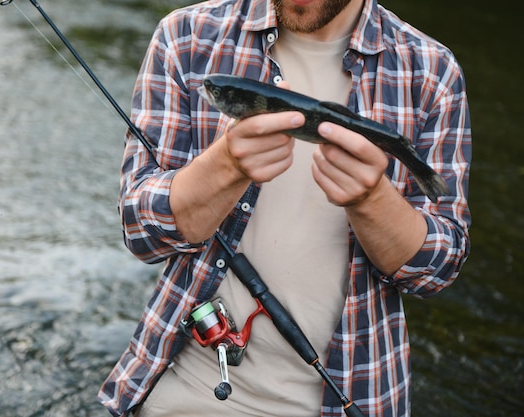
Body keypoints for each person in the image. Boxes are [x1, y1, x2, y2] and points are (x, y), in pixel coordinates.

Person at [98, 0, 471, 416]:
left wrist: (372, 201)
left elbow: (437, 271)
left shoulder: (433, 71)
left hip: (353, 398)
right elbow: (140, 233)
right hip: (185, 391)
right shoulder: (185, 36)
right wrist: (224, 167)